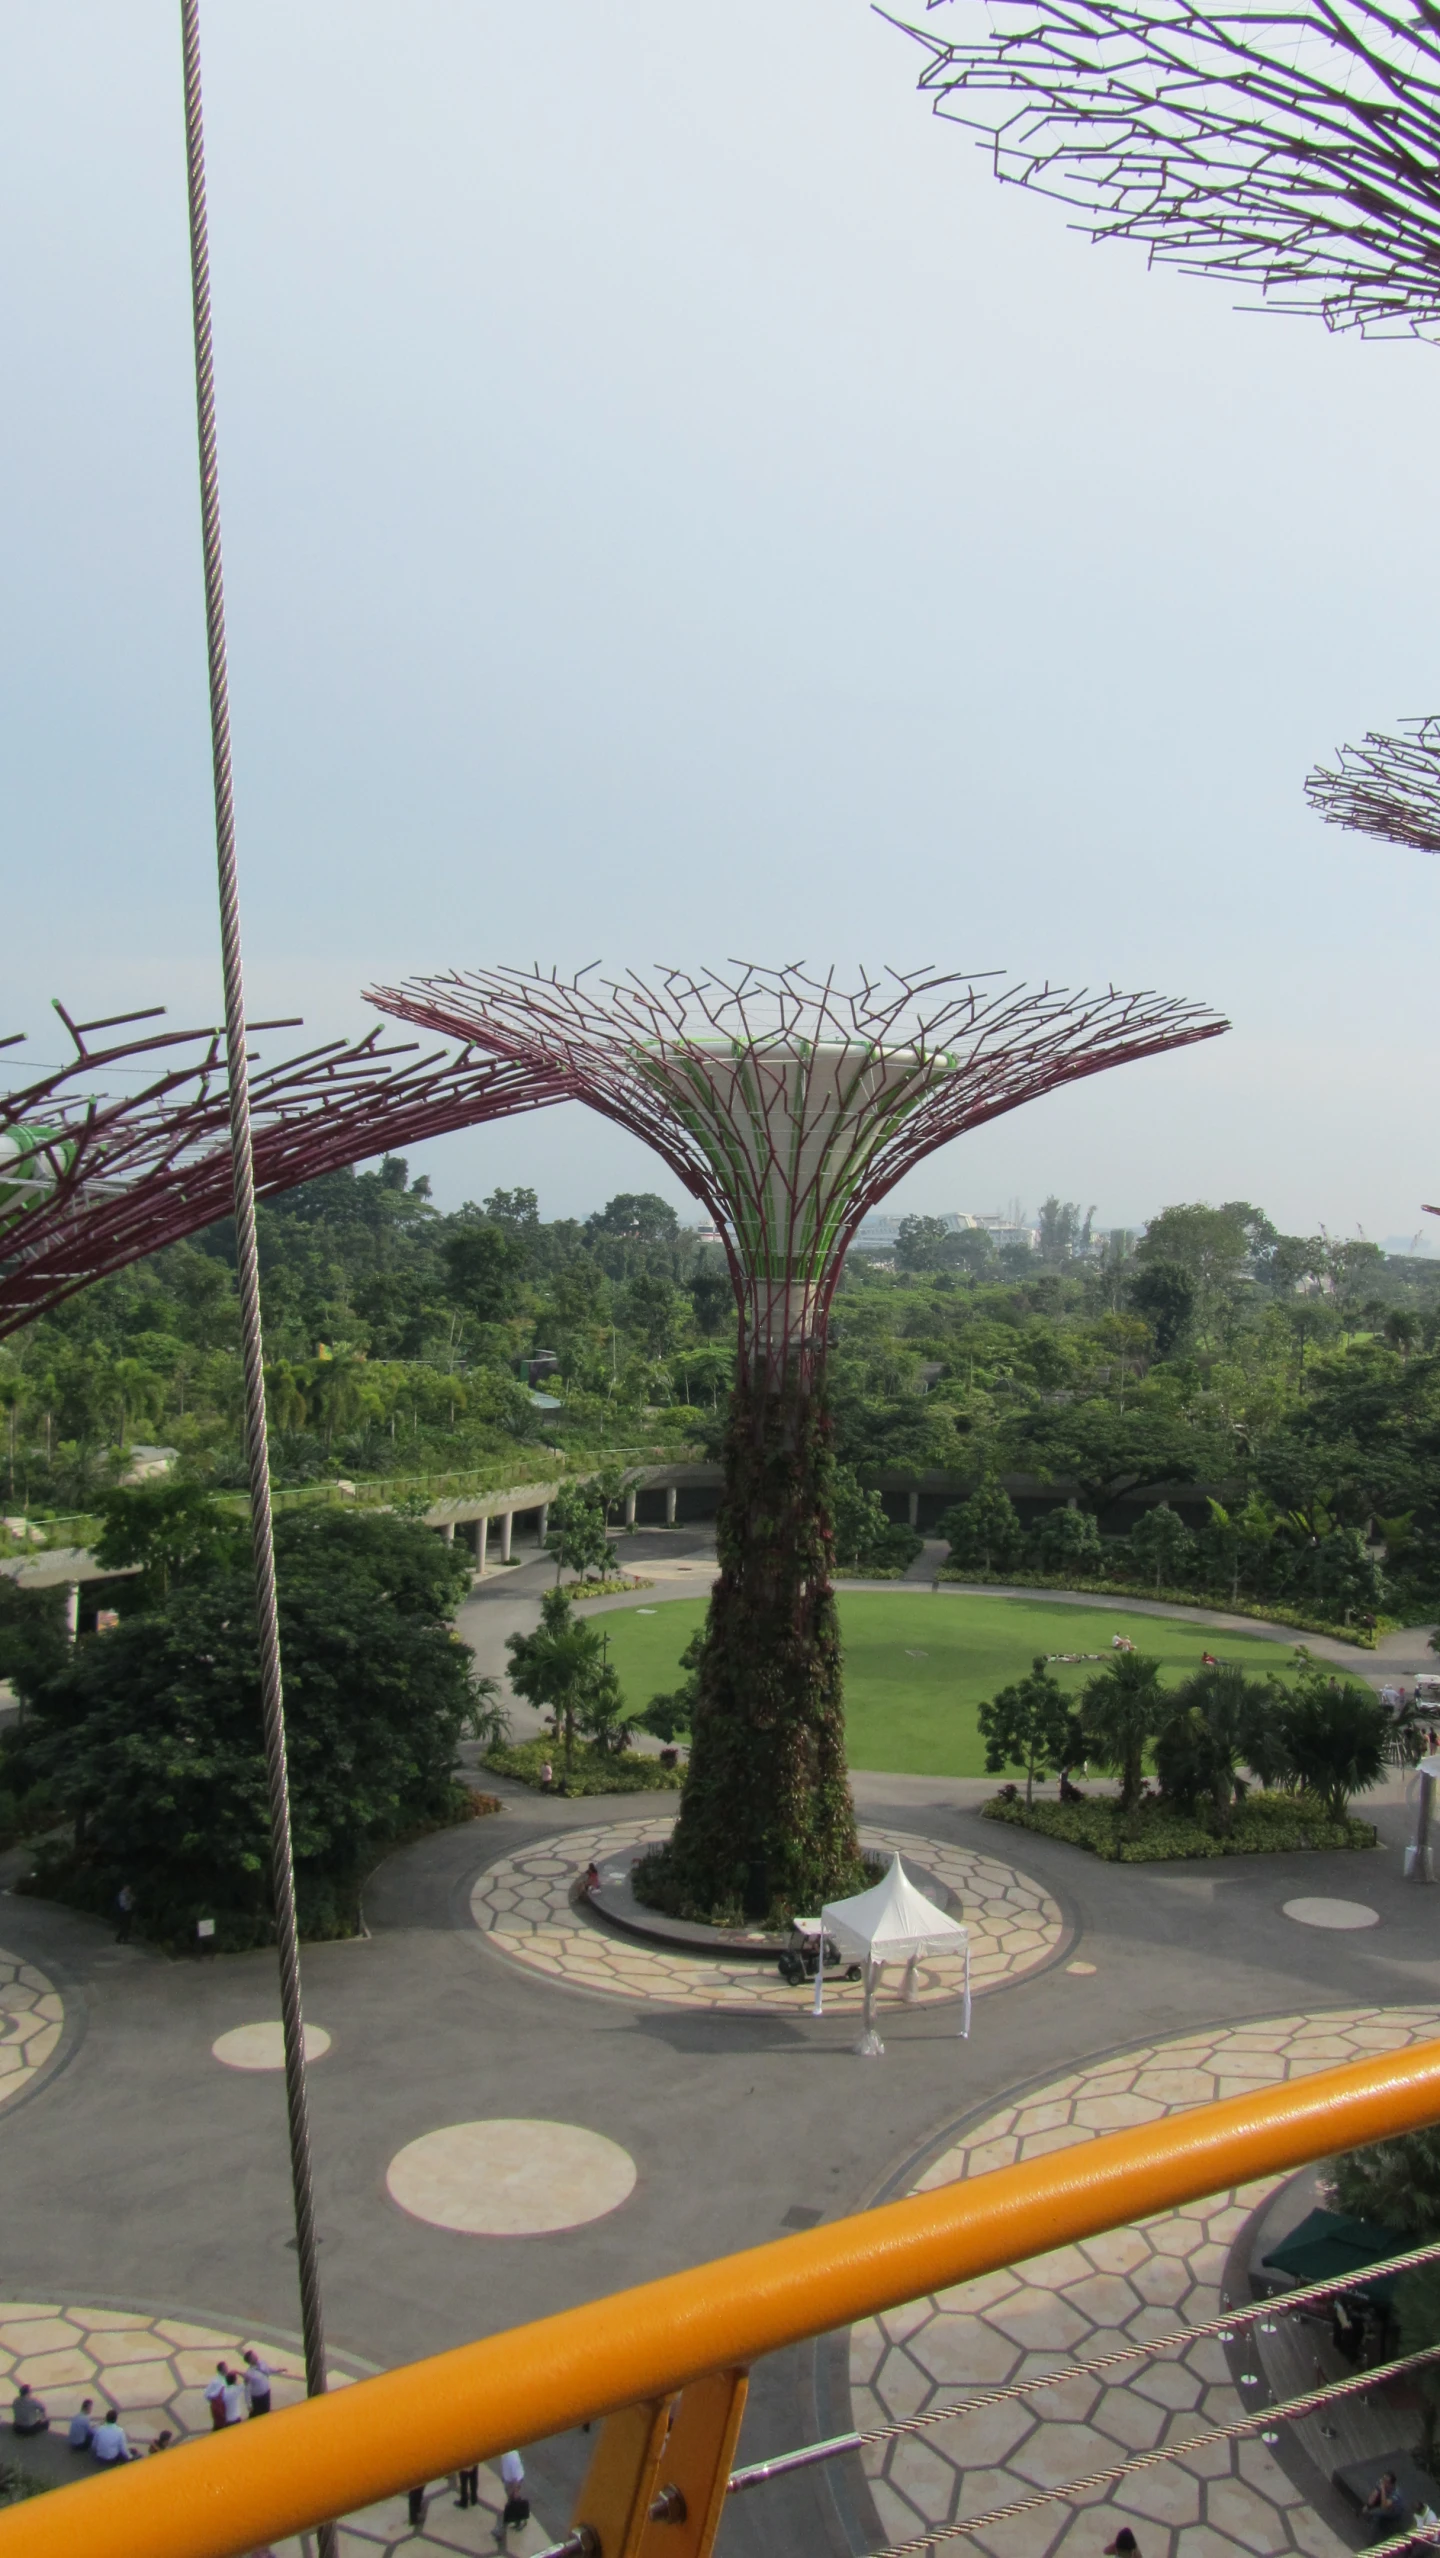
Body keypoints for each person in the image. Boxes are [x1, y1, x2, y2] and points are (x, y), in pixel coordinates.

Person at [497, 2448, 529, 2544]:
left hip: (513, 2483)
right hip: (509, 2481)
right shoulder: (506, 2453)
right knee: (514, 2504)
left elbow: (517, 2477)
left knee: (510, 2506)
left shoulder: (512, 2457)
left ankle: (501, 2531)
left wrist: (515, 2492)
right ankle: (519, 2521)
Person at [1363, 2472, 1406, 2542]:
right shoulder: (1381, 2482)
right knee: (1372, 2514)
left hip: (1392, 2510)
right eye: (1383, 2479)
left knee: (1374, 2514)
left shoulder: (1396, 2494)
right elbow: (1373, 2496)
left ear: (1391, 2484)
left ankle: (1372, 2540)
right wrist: (1368, 2506)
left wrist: (1382, 2489)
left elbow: (1384, 2507)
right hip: (1383, 2501)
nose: (1383, 2482)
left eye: (1386, 2481)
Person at [243, 2348, 274, 2416]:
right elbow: (247, 2390)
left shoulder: (262, 2363)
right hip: (258, 2399)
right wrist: (249, 2405)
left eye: (255, 2354)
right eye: (253, 2356)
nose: (256, 2356)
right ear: (250, 2361)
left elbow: (268, 2370)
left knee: (267, 2412)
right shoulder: (249, 2374)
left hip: (266, 2394)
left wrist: (279, 2370)